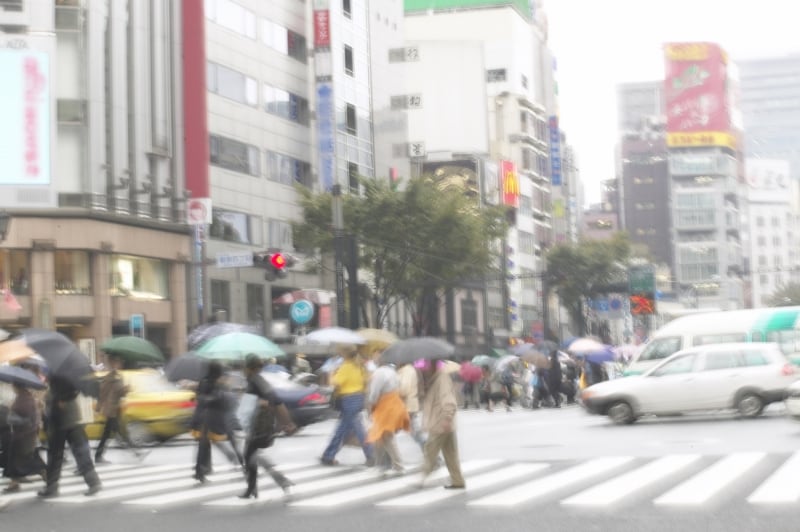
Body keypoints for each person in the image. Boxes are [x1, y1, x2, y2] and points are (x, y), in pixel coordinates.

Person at [239, 354, 297, 499]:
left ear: (249, 368)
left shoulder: (257, 381)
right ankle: (256, 488)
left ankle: (259, 487)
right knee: (251, 455)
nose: (243, 370)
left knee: (250, 455)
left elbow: (275, 401)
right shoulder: (254, 380)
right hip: (255, 424)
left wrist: (286, 423)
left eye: (244, 367)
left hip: (260, 425)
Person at [38, 376, 101, 498]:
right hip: (72, 420)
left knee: (55, 456)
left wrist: (54, 400)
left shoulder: (59, 379)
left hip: (59, 422)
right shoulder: (69, 378)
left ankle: (51, 488)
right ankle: (93, 481)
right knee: (81, 452)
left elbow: (57, 398)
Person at [320, 345, 374, 466]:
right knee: (344, 429)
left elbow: (334, 383)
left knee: (353, 429)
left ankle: (371, 455)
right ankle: (328, 455)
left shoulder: (346, 366)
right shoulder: (360, 366)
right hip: (358, 398)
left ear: (344, 354)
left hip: (348, 399)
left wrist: (331, 373)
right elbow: (367, 381)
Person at [419, 359, 465, 490]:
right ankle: (457, 480)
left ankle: (423, 475)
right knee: (450, 453)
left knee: (430, 449)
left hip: (441, 422)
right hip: (444, 421)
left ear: (433, 366)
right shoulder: (435, 379)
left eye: (427, 366)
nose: (425, 369)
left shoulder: (441, 379)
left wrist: (446, 419)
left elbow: (449, 401)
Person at [366, 360, 409, 476]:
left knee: (387, 436)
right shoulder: (393, 372)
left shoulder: (379, 373)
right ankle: (380, 465)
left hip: (384, 407)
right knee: (379, 436)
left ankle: (398, 466)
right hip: (394, 404)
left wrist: (370, 406)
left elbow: (374, 393)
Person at [2, 382, 46, 493]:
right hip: (23, 434)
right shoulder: (23, 398)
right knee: (14, 459)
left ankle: (46, 475)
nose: (12, 388)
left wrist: (12, 415)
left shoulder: (24, 400)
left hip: (24, 434)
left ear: (18, 387)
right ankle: (14, 483)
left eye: (14, 386)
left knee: (27, 459)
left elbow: (27, 418)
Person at [190, 362, 230, 483]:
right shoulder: (212, 383)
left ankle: (202, 470)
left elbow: (199, 396)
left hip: (202, 416)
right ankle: (200, 472)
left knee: (204, 445)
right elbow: (214, 398)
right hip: (207, 418)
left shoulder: (204, 381)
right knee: (204, 445)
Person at [94, 354, 138, 463]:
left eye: (120, 362)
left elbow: (120, 393)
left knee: (109, 433)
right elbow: (102, 393)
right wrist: (99, 407)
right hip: (111, 410)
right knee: (119, 432)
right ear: (113, 363)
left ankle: (98, 455)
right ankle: (136, 452)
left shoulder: (119, 376)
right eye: (117, 362)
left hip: (117, 409)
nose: (119, 364)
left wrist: (127, 389)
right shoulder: (109, 377)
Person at [397, 361, 426, 450]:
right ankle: (384, 458)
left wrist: (395, 391)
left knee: (415, 432)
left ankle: (431, 453)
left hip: (407, 406)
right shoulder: (406, 370)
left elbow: (404, 389)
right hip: (407, 405)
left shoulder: (407, 371)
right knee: (389, 431)